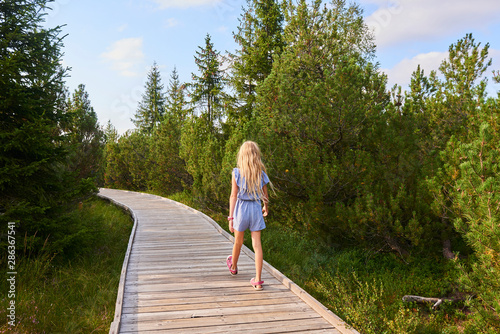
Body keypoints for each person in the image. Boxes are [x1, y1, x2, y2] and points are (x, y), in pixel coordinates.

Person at [226, 141, 269, 291]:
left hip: (241, 209)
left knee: (238, 241)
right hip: (256, 208)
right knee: (257, 245)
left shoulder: (236, 173)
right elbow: (265, 195)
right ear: (256, 156)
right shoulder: (261, 174)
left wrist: (231, 218)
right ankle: (257, 280)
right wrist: (265, 207)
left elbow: (233, 196)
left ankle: (233, 266)